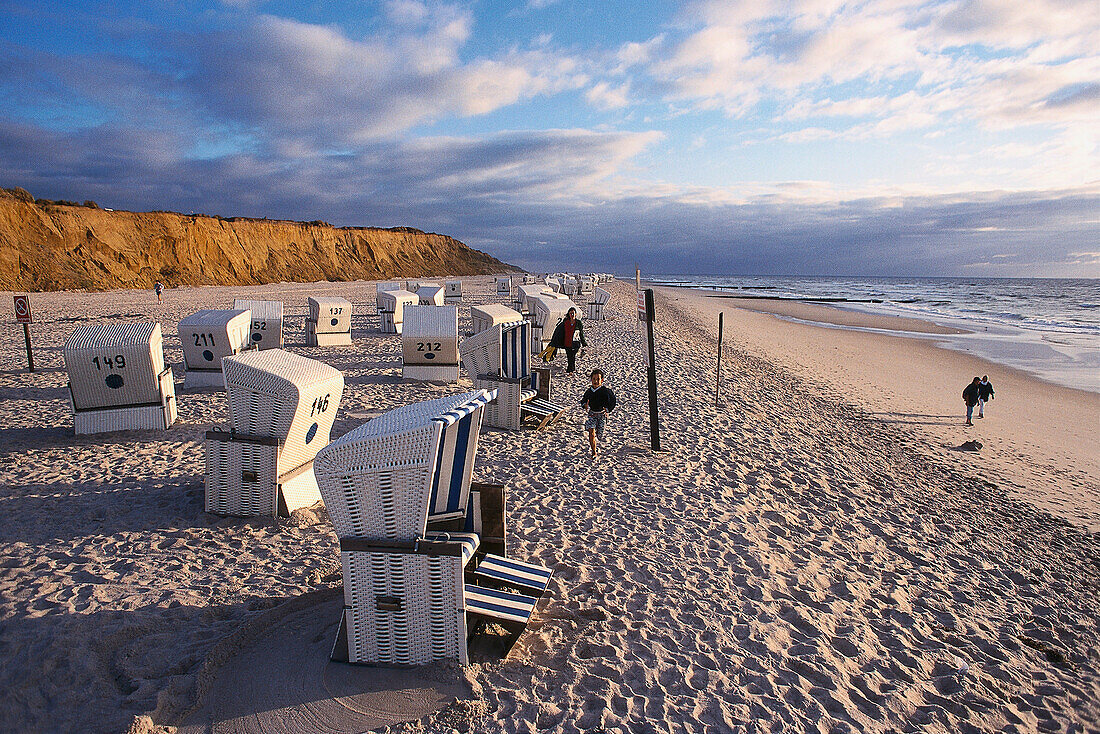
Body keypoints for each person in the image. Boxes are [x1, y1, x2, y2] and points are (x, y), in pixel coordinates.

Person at [580, 368, 616, 457]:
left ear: (602, 380)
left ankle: (597, 440)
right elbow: (584, 400)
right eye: (594, 379)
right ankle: (593, 451)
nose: (595, 381)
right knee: (591, 432)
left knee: (599, 435)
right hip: (592, 414)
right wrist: (585, 405)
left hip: (602, 415)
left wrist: (607, 409)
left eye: (598, 379)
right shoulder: (589, 391)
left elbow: (613, 401)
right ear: (591, 380)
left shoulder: (605, 391)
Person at [549, 307, 587, 373]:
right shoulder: (565, 323)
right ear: (568, 314)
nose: (572, 315)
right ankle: (571, 369)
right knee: (570, 357)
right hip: (567, 343)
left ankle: (570, 369)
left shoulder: (578, 323)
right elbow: (559, 332)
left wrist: (583, 342)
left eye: (573, 313)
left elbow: (581, 333)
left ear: (575, 314)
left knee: (572, 356)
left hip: (575, 343)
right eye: (570, 313)